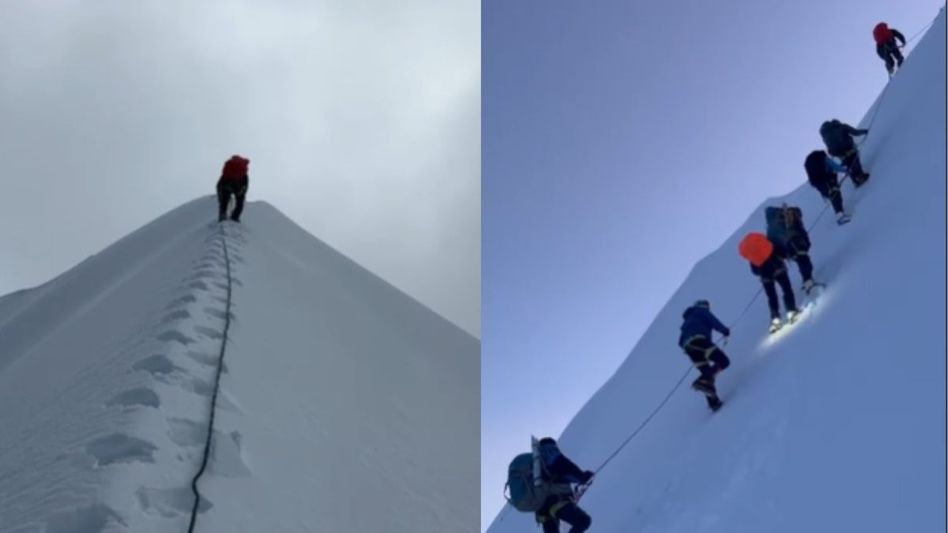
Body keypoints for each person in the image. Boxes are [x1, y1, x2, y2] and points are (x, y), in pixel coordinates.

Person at [739, 232, 800, 333]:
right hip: (778, 268)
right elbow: (782, 252)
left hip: (765, 277)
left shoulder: (753, 255)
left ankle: (775, 319)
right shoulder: (768, 243)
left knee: (772, 297)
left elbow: (754, 271)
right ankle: (791, 310)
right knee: (786, 289)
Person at [678, 300, 730, 411]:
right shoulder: (701, 311)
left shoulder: (686, 323)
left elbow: (680, 342)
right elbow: (713, 321)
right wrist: (725, 330)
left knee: (707, 372)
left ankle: (713, 402)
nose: (708, 308)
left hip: (689, 349)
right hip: (699, 341)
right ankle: (703, 383)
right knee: (723, 361)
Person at [534, 437, 594, 533]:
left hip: (542, 511)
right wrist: (584, 476)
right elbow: (571, 472)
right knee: (583, 521)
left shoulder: (535, 464)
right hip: (558, 502)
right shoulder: (557, 457)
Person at [765, 204, 819, 293]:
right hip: (796, 241)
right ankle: (808, 282)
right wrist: (807, 242)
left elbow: (771, 246)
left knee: (801, 260)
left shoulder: (770, 229)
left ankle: (807, 282)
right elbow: (799, 227)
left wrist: (780, 258)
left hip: (785, 251)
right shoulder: (788, 213)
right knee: (804, 260)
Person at [804, 150, 851, 225]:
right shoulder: (823, 158)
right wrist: (845, 170)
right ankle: (840, 217)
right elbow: (834, 166)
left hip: (819, 184)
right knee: (836, 196)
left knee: (833, 196)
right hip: (827, 181)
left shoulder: (814, 165)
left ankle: (840, 215)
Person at [819, 119, 870, 187]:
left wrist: (835, 154)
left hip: (839, 154)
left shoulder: (826, 136)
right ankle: (860, 176)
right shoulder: (842, 127)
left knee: (848, 165)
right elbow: (855, 132)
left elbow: (829, 148)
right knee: (855, 160)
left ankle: (855, 181)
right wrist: (865, 131)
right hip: (848, 148)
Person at [217, 155, 250, 222]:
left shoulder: (228, 171)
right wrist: (242, 193)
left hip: (227, 184)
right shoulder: (244, 174)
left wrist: (220, 198)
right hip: (239, 187)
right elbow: (246, 185)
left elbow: (219, 185)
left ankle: (222, 215)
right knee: (239, 203)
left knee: (224, 200)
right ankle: (235, 217)